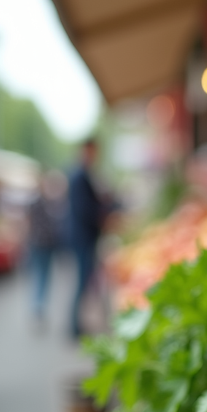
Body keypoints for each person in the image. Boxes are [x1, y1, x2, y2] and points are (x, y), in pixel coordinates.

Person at [67, 138, 115, 339]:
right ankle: (73, 327)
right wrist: (103, 214)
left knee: (86, 281)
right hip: (83, 237)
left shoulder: (84, 175)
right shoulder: (79, 176)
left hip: (85, 236)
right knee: (82, 281)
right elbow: (83, 209)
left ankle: (78, 325)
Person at [26, 170, 67, 327]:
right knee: (43, 276)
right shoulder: (47, 204)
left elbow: (28, 225)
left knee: (38, 275)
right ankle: (39, 305)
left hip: (36, 244)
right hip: (45, 245)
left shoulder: (33, 203)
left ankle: (37, 305)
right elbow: (53, 225)